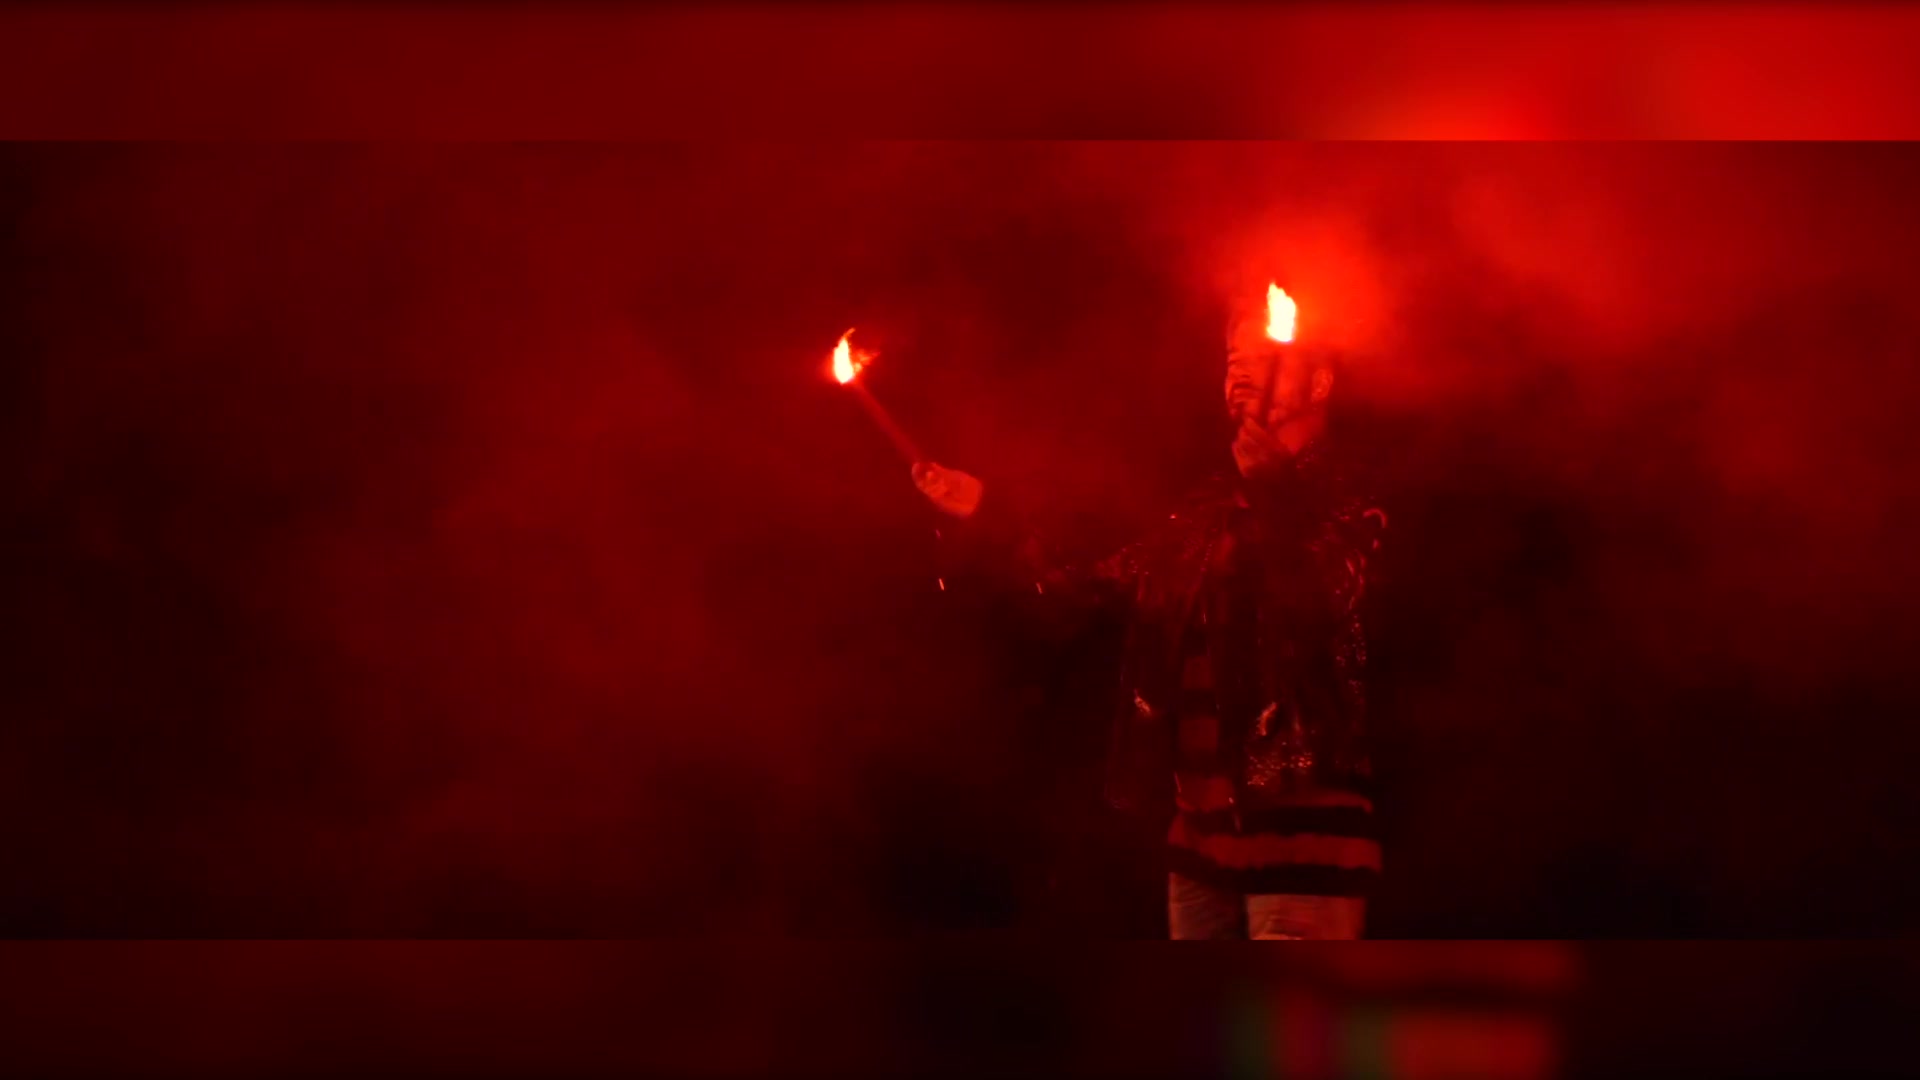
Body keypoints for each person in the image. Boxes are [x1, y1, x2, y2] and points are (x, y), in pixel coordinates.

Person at [911, 286, 1387, 939]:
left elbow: (1327, 603)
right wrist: (988, 516)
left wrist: (1276, 492)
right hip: (1198, 843)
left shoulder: (1352, 496)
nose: (1241, 372)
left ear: (1320, 383)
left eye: (1263, 356)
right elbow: (1082, 592)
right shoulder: (1205, 512)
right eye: (1232, 360)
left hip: (1305, 834)